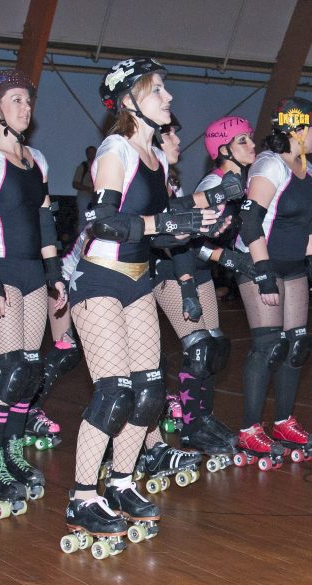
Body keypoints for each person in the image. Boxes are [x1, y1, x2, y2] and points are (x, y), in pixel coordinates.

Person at [60, 57, 219, 556]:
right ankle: (82, 496)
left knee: (149, 392)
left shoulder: (158, 156)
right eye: (157, 91)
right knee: (113, 392)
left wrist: (201, 221)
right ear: (129, 101)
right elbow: (103, 219)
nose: (168, 98)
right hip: (101, 278)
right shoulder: (115, 150)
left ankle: (121, 481)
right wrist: (162, 227)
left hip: (138, 280)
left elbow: (163, 223)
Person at [0, 69, 66, 517]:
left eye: (28, 101)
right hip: (0, 270)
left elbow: (45, 222)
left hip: (32, 274)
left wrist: (55, 274)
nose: (26, 109)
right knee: (8, 372)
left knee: (27, 373)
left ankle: (11, 454)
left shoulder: (37, 160)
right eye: (17, 101)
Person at [146, 113, 244, 478]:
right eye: (171, 136)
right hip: (162, 269)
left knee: (213, 346)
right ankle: (190, 424)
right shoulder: (151, 178)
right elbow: (161, 230)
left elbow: (188, 236)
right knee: (198, 346)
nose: (177, 143)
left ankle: (202, 417)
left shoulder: (168, 179)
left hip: (187, 265)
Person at [231, 97, 312, 471]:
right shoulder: (270, 166)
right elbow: (250, 224)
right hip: (260, 263)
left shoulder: (309, 170)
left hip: (294, 265)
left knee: (296, 344)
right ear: (299, 130)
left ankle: (284, 421)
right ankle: (249, 428)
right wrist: (264, 272)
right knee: (267, 348)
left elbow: (306, 224)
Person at [72, 145, 97, 215]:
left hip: (97, 195)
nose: (92, 154)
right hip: (84, 194)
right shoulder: (83, 166)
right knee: (84, 218)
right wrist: (88, 189)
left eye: (93, 153)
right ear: (87, 154)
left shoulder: (100, 167)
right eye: (90, 153)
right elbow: (75, 183)